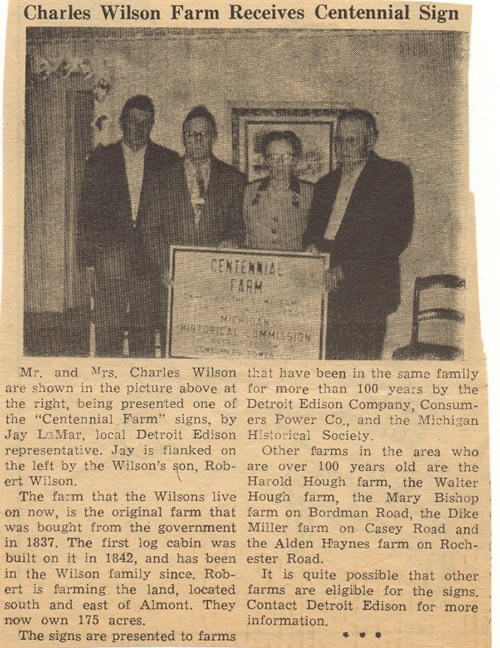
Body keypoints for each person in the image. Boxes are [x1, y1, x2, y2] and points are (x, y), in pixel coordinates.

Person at [303, 109, 414, 360]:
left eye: (351, 140)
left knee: (360, 366)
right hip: (326, 291)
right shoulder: (325, 183)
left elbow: (394, 238)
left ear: (371, 139)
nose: (342, 148)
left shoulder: (392, 176)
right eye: (338, 141)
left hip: (366, 292)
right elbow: (312, 231)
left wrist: (345, 269)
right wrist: (311, 250)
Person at [78, 95, 180, 357]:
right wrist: (89, 262)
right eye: (134, 121)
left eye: (146, 123)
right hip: (110, 258)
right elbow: (87, 215)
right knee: (108, 329)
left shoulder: (168, 160)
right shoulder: (101, 160)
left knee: (144, 330)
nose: (139, 128)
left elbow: (174, 214)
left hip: (149, 258)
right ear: (123, 123)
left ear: (152, 125)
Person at [161, 105, 246, 251]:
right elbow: (150, 229)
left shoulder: (234, 179)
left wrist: (233, 241)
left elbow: (239, 226)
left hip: (215, 267)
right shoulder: (161, 178)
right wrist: (166, 265)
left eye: (204, 133)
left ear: (214, 137)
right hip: (173, 267)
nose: (198, 139)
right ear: (183, 139)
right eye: (191, 134)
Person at [244, 130, 314, 251]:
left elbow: (316, 233)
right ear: (265, 161)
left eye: (286, 157)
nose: (279, 163)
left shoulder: (310, 192)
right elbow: (241, 231)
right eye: (273, 157)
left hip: (293, 266)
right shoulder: (249, 191)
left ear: (295, 160)